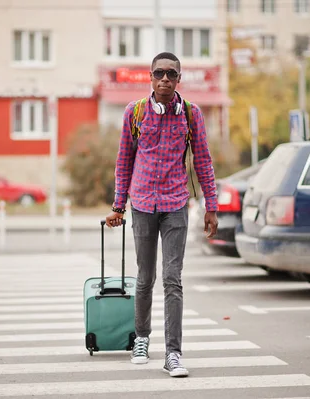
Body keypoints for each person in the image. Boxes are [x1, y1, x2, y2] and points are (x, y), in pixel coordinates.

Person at [105, 51, 219, 378]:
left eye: (171, 74)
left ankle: (173, 353)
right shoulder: (135, 112)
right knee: (145, 277)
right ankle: (141, 338)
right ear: (150, 78)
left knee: (172, 279)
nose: (165, 79)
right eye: (159, 73)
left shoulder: (192, 115)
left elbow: (203, 162)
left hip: (176, 205)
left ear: (179, 79)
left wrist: (211, 206)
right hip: (141, 204)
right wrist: (118, 205)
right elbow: (124, 161)